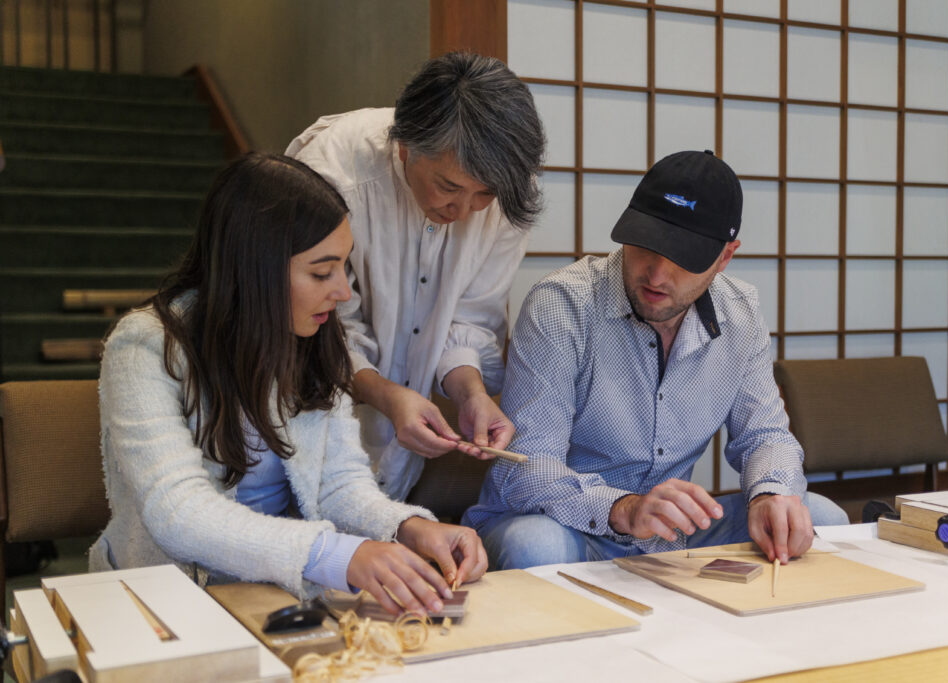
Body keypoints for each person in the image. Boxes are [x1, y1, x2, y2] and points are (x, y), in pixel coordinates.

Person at [89, 152, 487, 615]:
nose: (343, 292)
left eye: (344, 267)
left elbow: (338, 484)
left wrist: (409, 528)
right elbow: (178, 513)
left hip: (283, 597)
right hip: (166, 601)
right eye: (322, 272)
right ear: (255, 269)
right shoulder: (145, 347)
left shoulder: (313, 337)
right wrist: (336, 554)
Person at [463, 150, 849, 570]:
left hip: (668, 535)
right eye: (646, 244)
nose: (657, 275)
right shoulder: (563, 305)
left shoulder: (741, 314)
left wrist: (768, 493)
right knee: (533, 546)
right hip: (565, 526)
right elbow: (526, 467)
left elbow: (766, 435)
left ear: (725, 257)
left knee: (822, 520)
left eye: (683, 256)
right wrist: (624, 508)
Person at [285, 52, 546, 500]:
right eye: (449, 187)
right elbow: (321, 325)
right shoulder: (331, 172)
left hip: (402, 460)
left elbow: (470, 318)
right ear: (405, 146)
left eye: (484, 194)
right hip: (309, 424)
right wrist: (386, 396)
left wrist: (470, 395)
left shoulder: (509, 192)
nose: (463, 211)